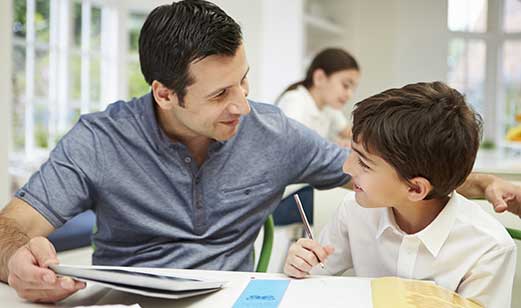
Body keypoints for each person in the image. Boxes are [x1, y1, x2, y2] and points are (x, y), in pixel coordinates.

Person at [0, 0, 519, 304]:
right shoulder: (98, 140)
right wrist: (16, 259)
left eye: (243, 81)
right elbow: (13, 225)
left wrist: (483, 184)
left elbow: (395, 171)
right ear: (164, 93)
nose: (243, 106)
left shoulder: (274, 131)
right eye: (220, 95)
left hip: (232, 301)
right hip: (127, 303)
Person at [284, 82, 516, 307]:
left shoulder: (489, 248)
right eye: (351, 152)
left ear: (415, 189)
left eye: (364, 163)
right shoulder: (353, 210)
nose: (346, 168)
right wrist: (301, 264)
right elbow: (312, 279)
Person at [277, 48, 360, 147]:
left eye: (353, 89)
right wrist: (334, 147)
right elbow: (290, 146)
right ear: (319, 78)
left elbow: (351, 135)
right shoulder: (294, 101)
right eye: (345, 85)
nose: (349, 95)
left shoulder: (329, 107)